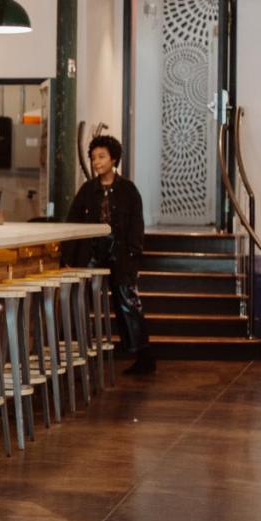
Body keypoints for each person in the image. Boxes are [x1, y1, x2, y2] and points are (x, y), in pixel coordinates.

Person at [65, 135, 155, 375]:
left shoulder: (128, 189)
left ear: (113, 158)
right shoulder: (87, 190)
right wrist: (69, 258)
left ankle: (143, 355)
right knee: (80, 299)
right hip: (91, 252)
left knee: (127, 301)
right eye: (94, 157)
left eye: (102, 156)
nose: (97, 162)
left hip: (121, 253)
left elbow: (136, 224)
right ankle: (80, 356)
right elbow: (73, 222)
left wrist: (134, 253)